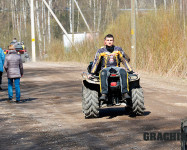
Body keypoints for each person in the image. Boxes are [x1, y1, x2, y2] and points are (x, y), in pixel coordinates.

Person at [90, 34, 134, 101]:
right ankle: (104, 94)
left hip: (116, 68)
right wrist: (92, 73)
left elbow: (124, 60)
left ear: (113, 41)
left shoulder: (118, 49)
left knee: (123, 71)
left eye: (111, 40)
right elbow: (96, 62)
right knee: (103, 73)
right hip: (105, 69)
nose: (109, 42)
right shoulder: (100, 51)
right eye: (108, 40)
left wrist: (131, 71)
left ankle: (125, 93)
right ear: (105, 41)